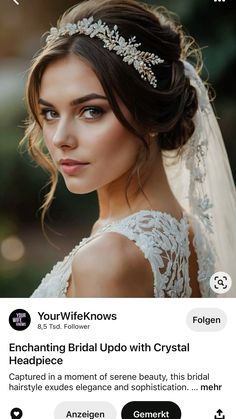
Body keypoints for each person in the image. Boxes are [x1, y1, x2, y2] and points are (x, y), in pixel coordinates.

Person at [23, 0, 236, 298]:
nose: (60, 138)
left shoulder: (108, 258)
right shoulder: (189, 231)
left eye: (91, 111)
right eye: (50, 113)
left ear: (149, 114)